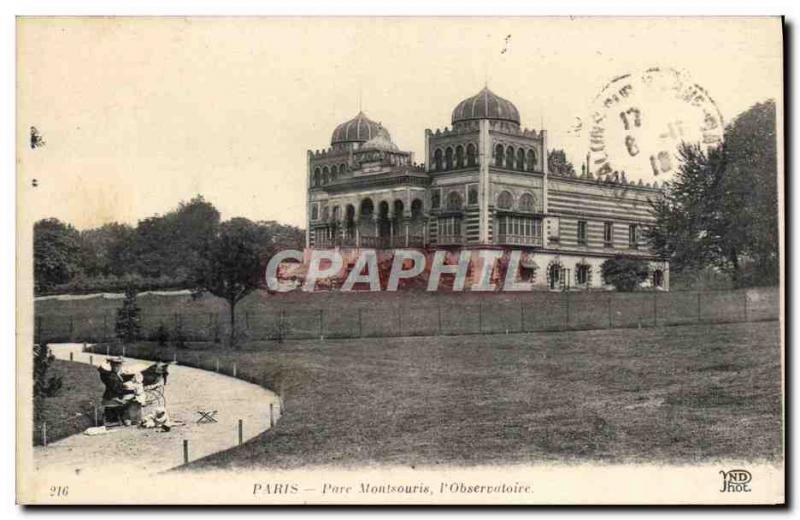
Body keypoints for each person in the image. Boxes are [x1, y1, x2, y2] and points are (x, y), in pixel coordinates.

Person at [97, 357, 139, 425]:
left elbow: (116, 387)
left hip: (109, 396)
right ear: (113, 366)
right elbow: (118, 390)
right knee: (130, 400)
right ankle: (125, 419)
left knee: (128, 398)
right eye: (118, 366)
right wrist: (132, 391)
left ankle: (120, 418)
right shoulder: (112, 377)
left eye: (119, 366)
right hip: (111, 398)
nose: (119, 368)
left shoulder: (111, 374)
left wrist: (123, 386)